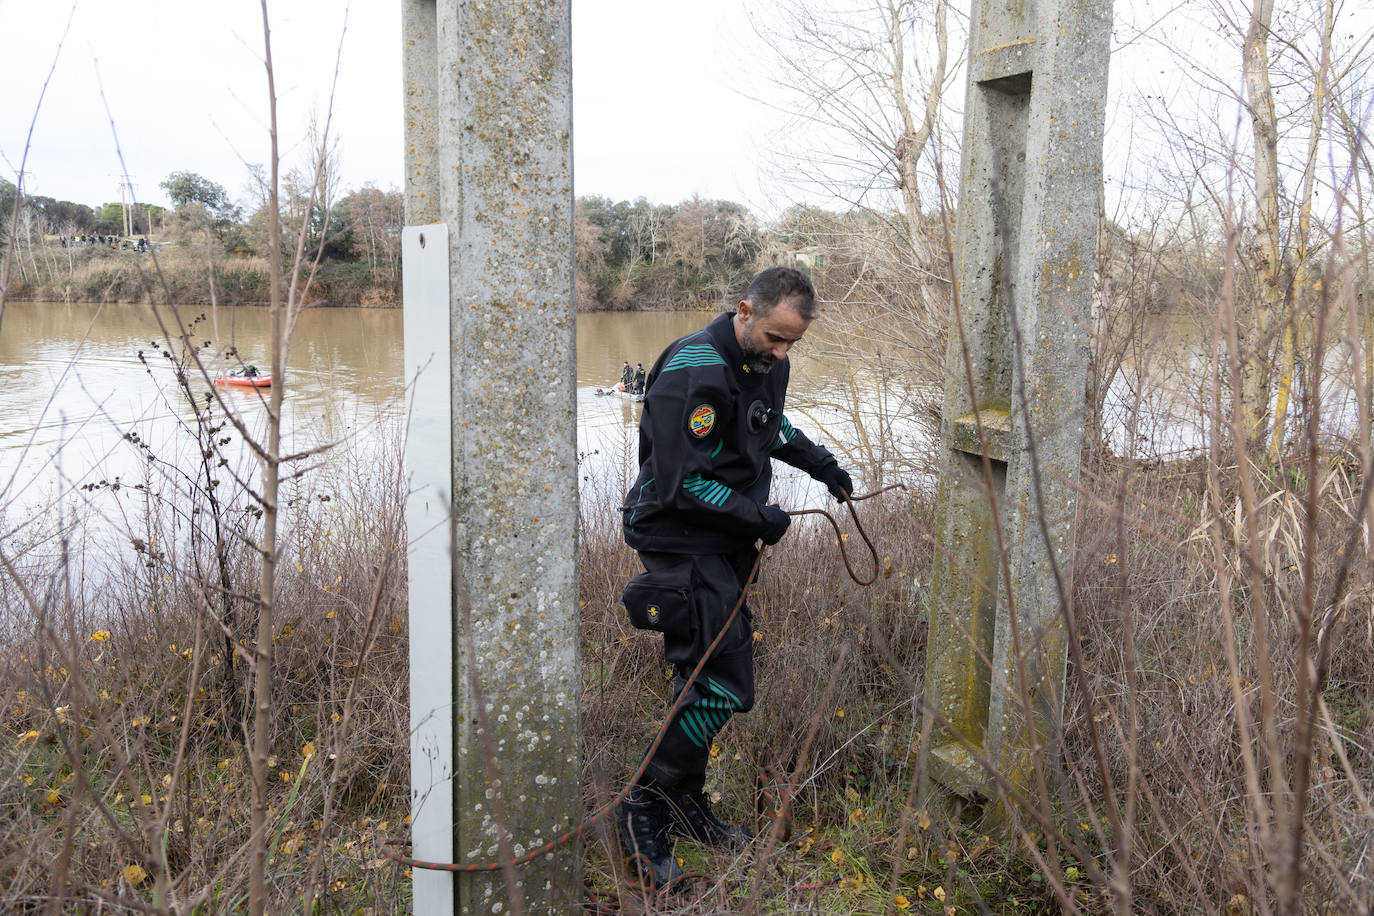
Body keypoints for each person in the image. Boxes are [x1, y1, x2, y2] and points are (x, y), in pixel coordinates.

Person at [613, 266, 853, 887]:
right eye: (774, 338)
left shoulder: (766, 362)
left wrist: (821, 463)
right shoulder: (692, 370)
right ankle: (643, 807)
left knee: (706, 673)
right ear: (745, 310)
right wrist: (761, 517)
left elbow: (769, 426)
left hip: (721, 540)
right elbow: (680, 481)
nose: (780, 353)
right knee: (724, 682)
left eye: (791, 344)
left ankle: (684, 801)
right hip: (676, 534)